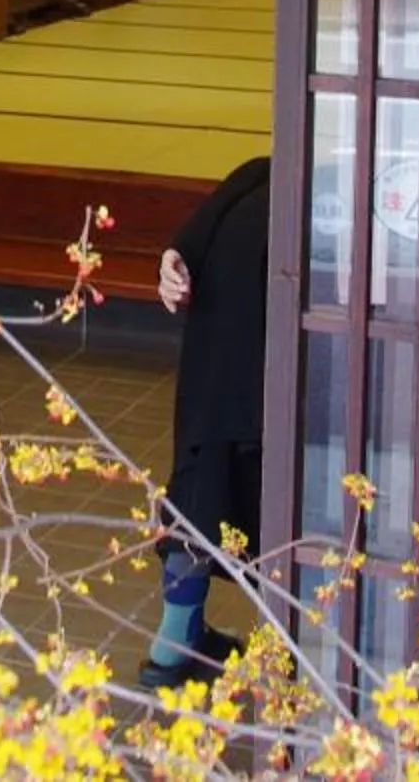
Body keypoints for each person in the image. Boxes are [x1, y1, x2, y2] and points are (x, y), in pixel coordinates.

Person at [140, 153, 271, 689]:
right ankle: (292, 651)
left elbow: (182, 249)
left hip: (216, 362)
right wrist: (175, 263)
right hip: (263, 358)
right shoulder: (278, 175)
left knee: (205, 475)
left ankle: (174, 641)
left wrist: (171, 267)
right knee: (275, 492)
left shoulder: (258, 171)